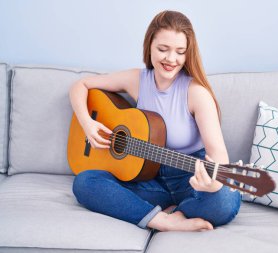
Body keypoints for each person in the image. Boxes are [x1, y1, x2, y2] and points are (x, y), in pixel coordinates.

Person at [69, 10, 240, 232]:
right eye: (163, 49)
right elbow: (81, 85)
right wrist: (87, 123)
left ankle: (173, 210)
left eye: (180, 52)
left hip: (190, 176)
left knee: (224, 201)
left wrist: (214, 183)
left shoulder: (196, 93)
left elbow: (218, 155)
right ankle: (162, 220)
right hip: (147, 177)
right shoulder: (136, 80)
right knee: (85, 183)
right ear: (149, 45)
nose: (171, 59)